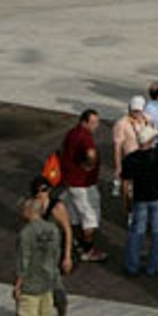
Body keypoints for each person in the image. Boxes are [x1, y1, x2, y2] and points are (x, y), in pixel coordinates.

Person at [121, 130, 158, 277]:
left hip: (139, 199)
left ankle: (132, 266)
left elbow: (125, 184)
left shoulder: (130, 158)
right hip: (157, 198)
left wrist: (126, 200)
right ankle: (153, 266)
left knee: (136, 232)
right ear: (151, 141)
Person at [59, 108, 106, 262]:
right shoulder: (85, 138)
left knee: (74, 215)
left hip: (70, 181)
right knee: (90, 217)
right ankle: (88, 249)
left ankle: (76, 241)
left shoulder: (72, 133)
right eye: (93, 122)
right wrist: (89, 165)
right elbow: (91, 154)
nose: (96, 126)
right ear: (84, 122)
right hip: (83, 185)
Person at [15, 193, 62, 316]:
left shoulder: (26, 233)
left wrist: (18, 284)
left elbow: (23, 260)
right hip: (48, 281)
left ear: (29, 211)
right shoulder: (53, 229)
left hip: (31, 284)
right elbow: (56, 254)